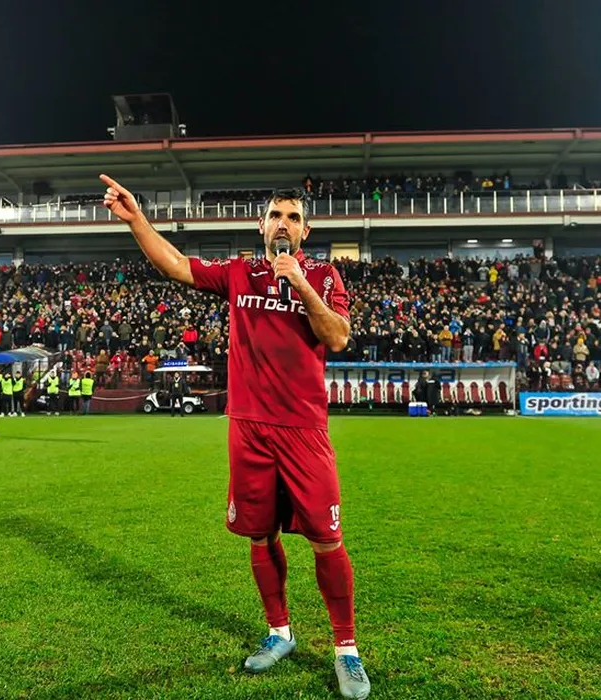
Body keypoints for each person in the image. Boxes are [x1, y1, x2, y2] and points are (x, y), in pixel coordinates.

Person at [101, 175, 369, 699]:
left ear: (306, 231)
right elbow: (176, 265)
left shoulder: (324, 275)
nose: (283, 224)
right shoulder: (239, 272)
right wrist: (137, 220)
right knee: (259, 534)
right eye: (275, 216)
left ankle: (346, 649)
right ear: (260, 225)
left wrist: (300, 284)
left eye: (293, 217)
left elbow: (337, 336)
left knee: (327, 538)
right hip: (248, 428)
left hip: (304, 428)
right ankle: (279, 632)